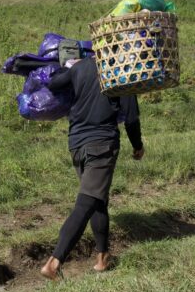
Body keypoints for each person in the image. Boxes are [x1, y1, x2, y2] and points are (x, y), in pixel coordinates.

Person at [39, 55, 143, 280]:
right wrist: (138, 146)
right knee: (86, 201)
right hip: (101, 144)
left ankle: (102, 258)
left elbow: (54, 83)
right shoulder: (121, 70)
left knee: (97, 199)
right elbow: (132, 117)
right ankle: (54, 262)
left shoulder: (81, 66)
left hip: (76, 144)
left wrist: (70, 68)